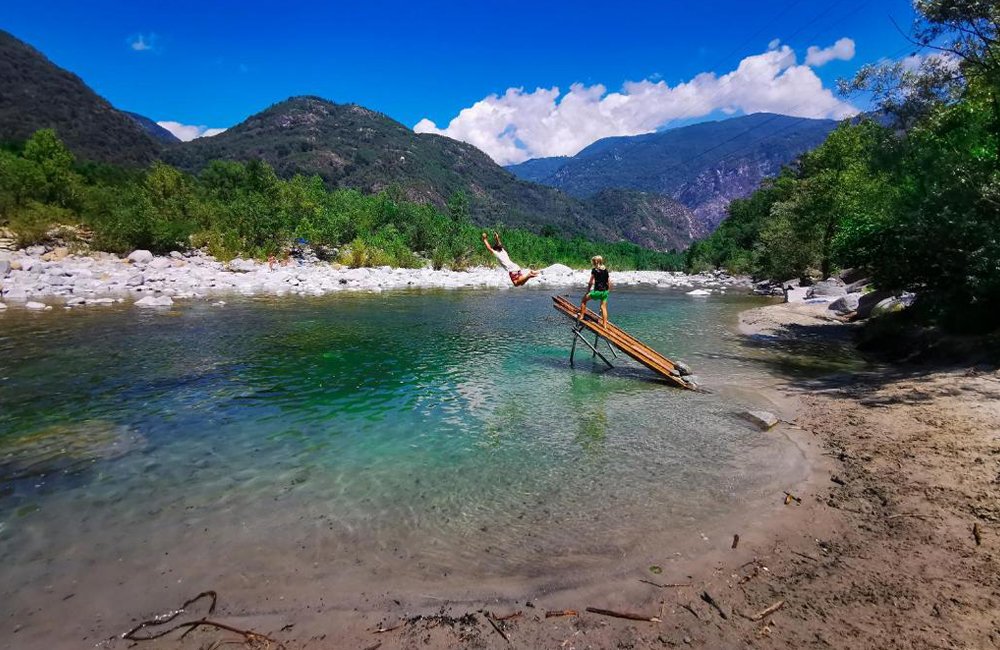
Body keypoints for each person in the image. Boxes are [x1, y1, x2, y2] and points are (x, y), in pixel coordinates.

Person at [579, 255, 611, 326]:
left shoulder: (594, 270)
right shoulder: (605, 270)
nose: (592, 262)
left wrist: (588, 291)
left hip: (597, 291)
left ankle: (581, 316)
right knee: (603, 307)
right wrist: (608, 290)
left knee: (583, 300)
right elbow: (609, 282)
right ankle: (604, 324)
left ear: (595, 262)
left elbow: (590, 282)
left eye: (593, 261)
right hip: (605, 292)